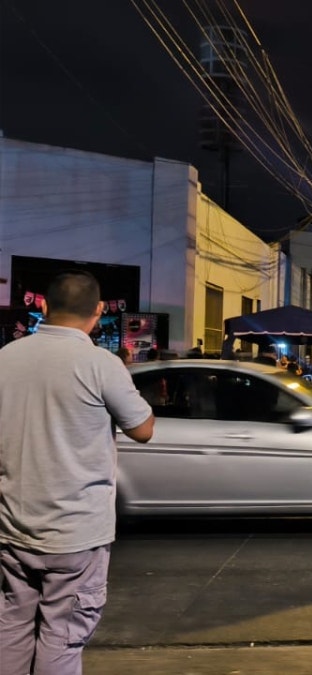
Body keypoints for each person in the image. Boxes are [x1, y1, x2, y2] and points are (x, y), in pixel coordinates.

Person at [0, 270, 155, 674]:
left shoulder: (4, 359)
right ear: (100, 311)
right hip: (76, 534)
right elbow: (142, 429)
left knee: (10, 629)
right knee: (62, 637)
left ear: (44, 307)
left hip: (12, 528)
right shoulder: (100, 364)